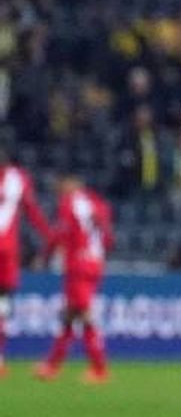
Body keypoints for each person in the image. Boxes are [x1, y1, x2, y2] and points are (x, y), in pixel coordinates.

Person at [35, 174, 114, 384]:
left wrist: (44, 256)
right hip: (95, 263)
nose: (59, 192)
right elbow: (108, 236)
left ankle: (99, 369)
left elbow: (60, 233)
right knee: (70, 314)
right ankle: (52, 365)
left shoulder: (69, 204)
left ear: (69, 185)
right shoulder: (97, 203)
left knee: (84, 314)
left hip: (78, 265)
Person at [0, 147, 52, 378]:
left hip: (6, 254)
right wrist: (50, 236)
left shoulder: (17, 179)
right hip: (6, 253)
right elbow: (33, 211)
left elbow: (32, 211)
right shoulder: (18, 179)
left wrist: (50, 237)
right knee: (2, 306)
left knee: (2, 306)